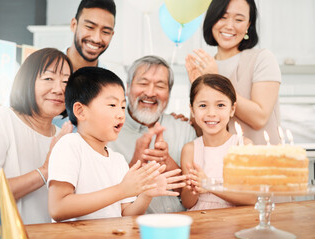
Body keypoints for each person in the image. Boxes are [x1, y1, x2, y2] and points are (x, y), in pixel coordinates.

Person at [47, 67, 186, 221]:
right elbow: (58, 207)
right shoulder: (70, 145)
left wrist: (146, 194)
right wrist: (121, 190)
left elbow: (126, 214)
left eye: (122, 106)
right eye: (112, 105)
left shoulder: (118, 160)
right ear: (80, 111)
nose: (120, 114)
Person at [0, 0, 116, 130]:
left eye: (105, 31)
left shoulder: (111, 84)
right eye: (89, 27)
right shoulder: (40, 65)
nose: (96, 38)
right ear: (73, 24)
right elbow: (14, 106)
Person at [0, 48, 73, 224]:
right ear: (27, 82)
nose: (59, 89)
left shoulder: (64, 136)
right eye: (48, 78)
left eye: (66, 82)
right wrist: (44, 171)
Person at [185, 0, 281, 145]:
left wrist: (216, 80)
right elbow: (200, 133)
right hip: (220, 163)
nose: (229, 26)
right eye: (223, 17)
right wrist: (190, 118)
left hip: (260, 160)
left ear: (248, 25)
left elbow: (259, 119)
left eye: (239, 19)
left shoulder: (262, 59)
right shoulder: (203, 66)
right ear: (212, 19)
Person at [108, 56, 196, 213]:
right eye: (143, 83)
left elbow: (194, 195)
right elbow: (105, 199)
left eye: (160, 86)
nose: (150, 92)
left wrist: (167, 162)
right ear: (127, 88)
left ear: (169, 93)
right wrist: (136, 163)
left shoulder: (184, 130)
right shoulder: (107, 131)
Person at [180, 74, 255, 211]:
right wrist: (193, 188)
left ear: (232, 109)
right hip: (200, 221)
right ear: (192, 110)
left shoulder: (242, 146)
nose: (211, 113)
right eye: (203, 105)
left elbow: (251, 198)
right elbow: (187, 203)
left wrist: (209, 185)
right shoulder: (190, 149)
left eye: (220, 105)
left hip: (234, 220)